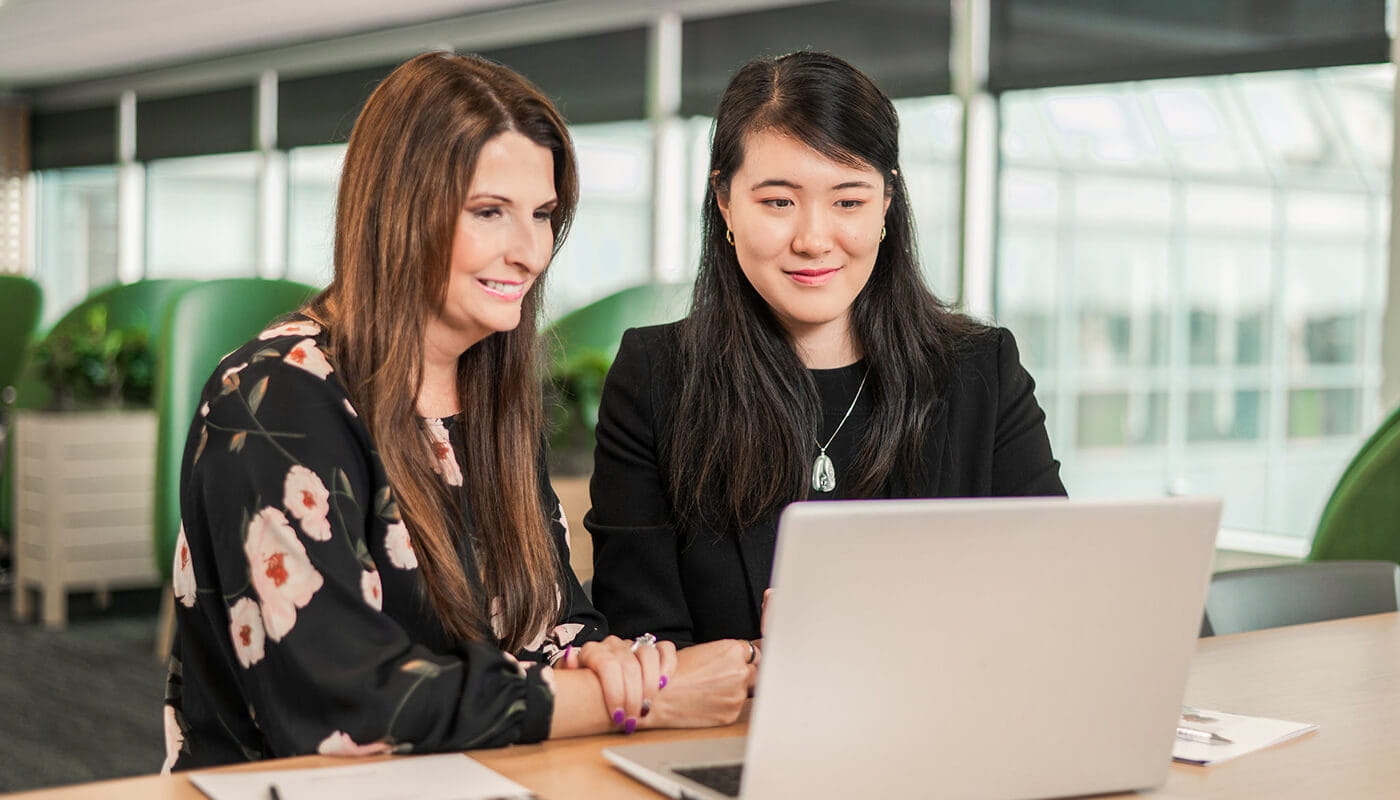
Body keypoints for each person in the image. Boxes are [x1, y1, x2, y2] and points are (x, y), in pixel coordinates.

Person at [162, 52, 754, 772]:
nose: (529, 251)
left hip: (492, 777)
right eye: (488, 212)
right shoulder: (272, 396)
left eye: (542, 215)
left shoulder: (492, 396)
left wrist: (607, 661)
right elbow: (348, 709)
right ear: (397, 207)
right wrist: (643, 699)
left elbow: (555, 624)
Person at [587, 51, 1066, 648]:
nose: (814, 240)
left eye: (848, 201)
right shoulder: (655, 378)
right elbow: (642, 646)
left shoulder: (981, 370)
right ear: (725, 202)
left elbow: (1051, 593)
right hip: (735, 740)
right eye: (778, 202)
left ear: (887, 203)